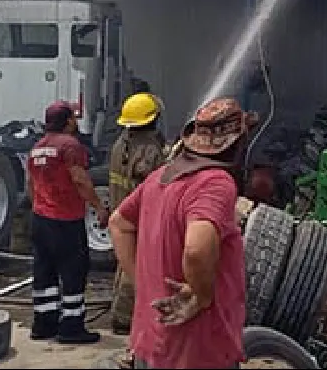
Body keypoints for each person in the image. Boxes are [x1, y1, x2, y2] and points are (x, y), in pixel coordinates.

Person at [108, 97, 252, 369]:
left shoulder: (159, 178)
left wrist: (143, 283)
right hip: (198, 352)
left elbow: (119, 224)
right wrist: (202, 295)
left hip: (151, 344)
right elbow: (197, 249)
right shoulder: (215, 182)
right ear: (236, 143)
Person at [27, 100, 110, 344]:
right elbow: (80, 179)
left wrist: (40, 208)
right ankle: (71, 327)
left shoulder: (37, 147)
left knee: (45, 273)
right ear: (67, 121)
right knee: (73, 272)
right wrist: (98, 207)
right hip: (65, 221)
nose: (76, 121)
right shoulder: (70, 145)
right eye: (73, 117)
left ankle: (44, 324)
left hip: (40, 220)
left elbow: (31, 185)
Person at [107, 92, 167, 335]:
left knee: (123, 264)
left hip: (120, 210)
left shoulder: (120, 144)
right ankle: (124, 318)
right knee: (136, 267)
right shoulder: (151, 151)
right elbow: (160, 181)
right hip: (139, 215)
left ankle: (119, 312)